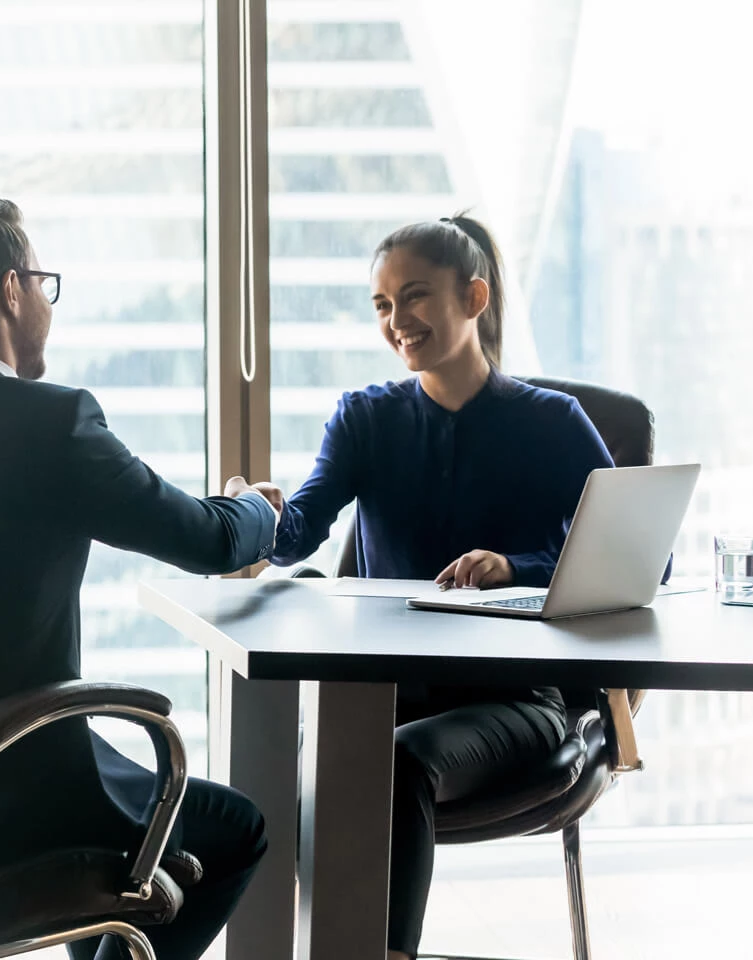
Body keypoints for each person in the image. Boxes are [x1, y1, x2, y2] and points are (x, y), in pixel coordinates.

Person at [0, 196, 278, 960]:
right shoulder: (52, 424)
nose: (43, 304)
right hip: (23, 789)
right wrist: (253, 507)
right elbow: (208, 539)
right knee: (234, 832)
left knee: (125, 854)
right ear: (9, 290)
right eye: (41, 283)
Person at [252, 213, 614, 959]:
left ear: (473, 297)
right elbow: (296, 538)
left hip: (515, 699)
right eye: (382, 306)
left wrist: (517, 568)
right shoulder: (365, 419)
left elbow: (637, 563)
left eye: (414, 297)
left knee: (391, 764)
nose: (397, 322)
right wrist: (254, 512)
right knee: (293, 767)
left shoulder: (553, 423)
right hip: (384, 692)